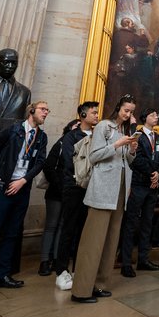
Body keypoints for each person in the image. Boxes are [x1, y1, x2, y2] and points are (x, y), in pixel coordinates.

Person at [0, 101, 50, 297]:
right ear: (32, 110)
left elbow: (39, 162)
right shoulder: (12, 131)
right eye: (43, 109)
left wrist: (23, 180)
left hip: (21, 189)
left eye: (48, 110)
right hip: (3, 187)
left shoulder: (41, 137)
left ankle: (2, 275)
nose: (46, 113)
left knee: (12, 233)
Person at [71, 96, 137, 303]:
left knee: (110, 240)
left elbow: (126, 161)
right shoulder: (103, 127)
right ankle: (81, 290)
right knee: (93, 240)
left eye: (131, 112)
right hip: (102, 189)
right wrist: (117, 144)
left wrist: (132, 150)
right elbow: (95, 156)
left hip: (119, 190)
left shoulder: (124, 131)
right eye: (126, 110)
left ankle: (100, 284)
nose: (128, 115)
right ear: (118, 108)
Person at [47, 102, 97, 290]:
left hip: (92, 189)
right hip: (74, 187)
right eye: (93, 112)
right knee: (68, 229)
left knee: (84, 232)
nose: (96, 115)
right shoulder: (71, 137)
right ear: (83, 115)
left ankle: (79, 269)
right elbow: (69, 161)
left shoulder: (98, 136)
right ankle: (61, 271)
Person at [40, 105, 88, 277]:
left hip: (71, 191)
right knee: (52, 225)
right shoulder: (62, 143)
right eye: (76, 127)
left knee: (64, 226)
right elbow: (48, 166)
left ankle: (57, 259)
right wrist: (61, 185)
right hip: (56, 191)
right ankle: (45, 260)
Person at [121, 107, 159, 276]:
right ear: (145, 117)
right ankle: (125, 263)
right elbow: (136, 159)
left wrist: (158, 173)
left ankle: (143, 259)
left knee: (147, 223)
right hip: (139, 184)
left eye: (157, 114)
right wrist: (151, 173)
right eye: (153, 115)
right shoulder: (137, 136)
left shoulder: (158, 138)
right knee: (131, 224)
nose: (156, 117)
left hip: (153, 187)